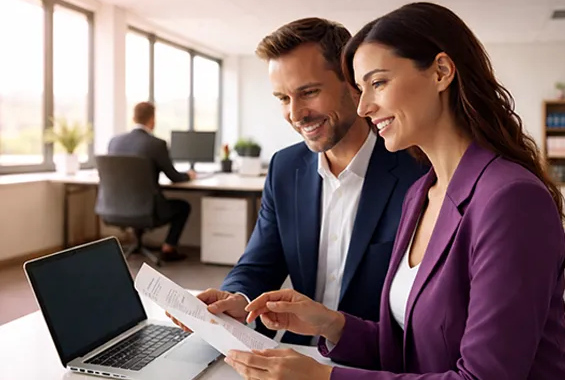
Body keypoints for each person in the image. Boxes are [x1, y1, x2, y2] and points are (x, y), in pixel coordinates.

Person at [222, 2, 565, 380]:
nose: (364, 105)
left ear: (442, 72)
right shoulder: (423, 193)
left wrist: (321, 378)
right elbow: (409, 347)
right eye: (362, 88)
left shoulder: (510, 199)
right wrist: (330, 323)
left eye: (378, 83)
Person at [168, 18, 426, 345]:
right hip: (299, 351)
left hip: (378, 358)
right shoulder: (286, 167)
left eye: (308, 92)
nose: (295, 113)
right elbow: (260, 263)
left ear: (353, 83)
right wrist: (236, 297)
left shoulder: (417, 169)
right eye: (283, 98)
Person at [108, 101, 196, 262]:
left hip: (114, 208)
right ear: (152, 120)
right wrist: (189, 175)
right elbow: (174, 177)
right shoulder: (156, 144)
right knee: (183, 207)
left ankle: (139, 242)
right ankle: (169, 248)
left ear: (133, 118)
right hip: (147, 210)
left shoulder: (114, 142)